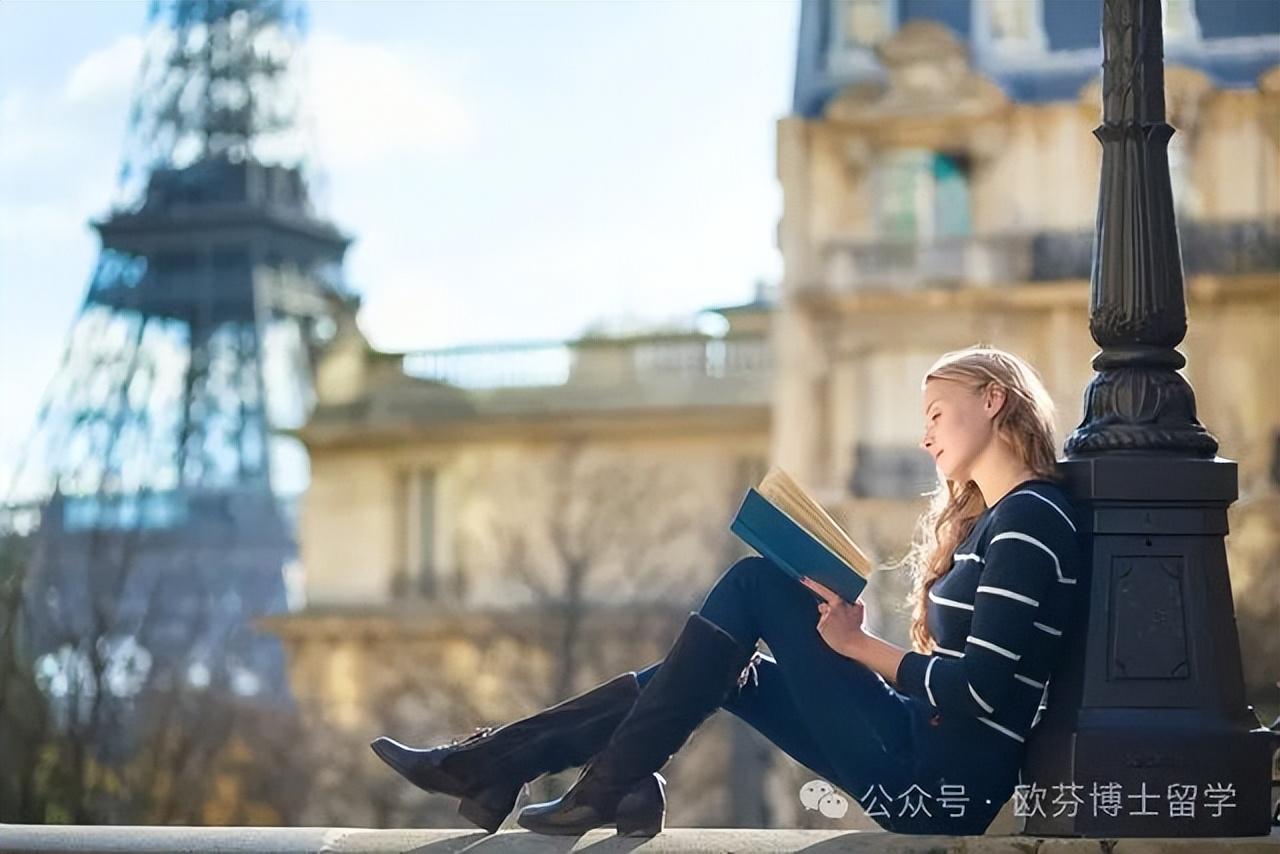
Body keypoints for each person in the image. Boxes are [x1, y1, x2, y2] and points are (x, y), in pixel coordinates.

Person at [370, 344, 1085, 836]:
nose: (926, 437)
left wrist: (857, 646)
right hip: (919, 747)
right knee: (728, 671)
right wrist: (849, 639)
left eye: (936, 413)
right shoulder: (1005, 520)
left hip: (937, 782)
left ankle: (551, 774)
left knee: (754, 585)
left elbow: (981, 690)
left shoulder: (1028, 520)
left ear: (994, 400)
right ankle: (529, 772)